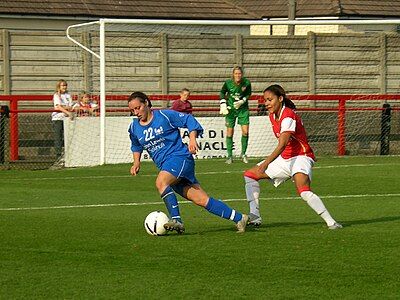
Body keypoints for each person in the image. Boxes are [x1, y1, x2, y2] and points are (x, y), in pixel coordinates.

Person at [128, 91, 248, 234]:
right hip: (168, 166)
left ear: (146, 103)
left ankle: (177, 220)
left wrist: (192, 139)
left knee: (161, 182)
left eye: (138, 107)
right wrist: (136, 163)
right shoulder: (134, 127)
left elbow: (189, 121)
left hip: (180, 158)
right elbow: (136, 145)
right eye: (132, 110)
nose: (136, 112)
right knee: (202, 200)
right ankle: (240, 218)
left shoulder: (164, 116)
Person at [242, 84, 342, 229]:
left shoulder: (288, 115)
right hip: (285, 158)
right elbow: (283, 148)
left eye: (270, 100)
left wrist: (266, 163)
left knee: (304, 191)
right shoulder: (272, 115)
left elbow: (282, 144)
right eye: (265, 100)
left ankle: (331, 222)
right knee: (250, 175)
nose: (267, 103)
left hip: (301, 157)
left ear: (280, 98)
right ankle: (255, 216)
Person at [219, 66, 252, 164]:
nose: (238, 75)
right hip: (231, 110)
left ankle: (243, 154)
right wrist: (223, 103)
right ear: (233, 74)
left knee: (245, 132)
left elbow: (248, 93)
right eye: (236, 73)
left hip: (243, 109)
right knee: (230, 132)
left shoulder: (246, 83)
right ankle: (229, 156)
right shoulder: (228, 83)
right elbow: (222, 92)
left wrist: (243, 100)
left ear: (242, 74)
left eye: (239, 73)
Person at [51, 79, 74, 159]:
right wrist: (67, 111)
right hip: (58, 118)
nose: (64, 87)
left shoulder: (68, 95)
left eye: (65, 85)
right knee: (58, 137)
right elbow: (58, 107)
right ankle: (58, 155)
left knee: (68, 136)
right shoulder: (56, 95)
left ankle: (68, 154)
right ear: (59, 86)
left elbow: (70, 107)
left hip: (67, 118)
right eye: (63, 85)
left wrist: (66, 109)